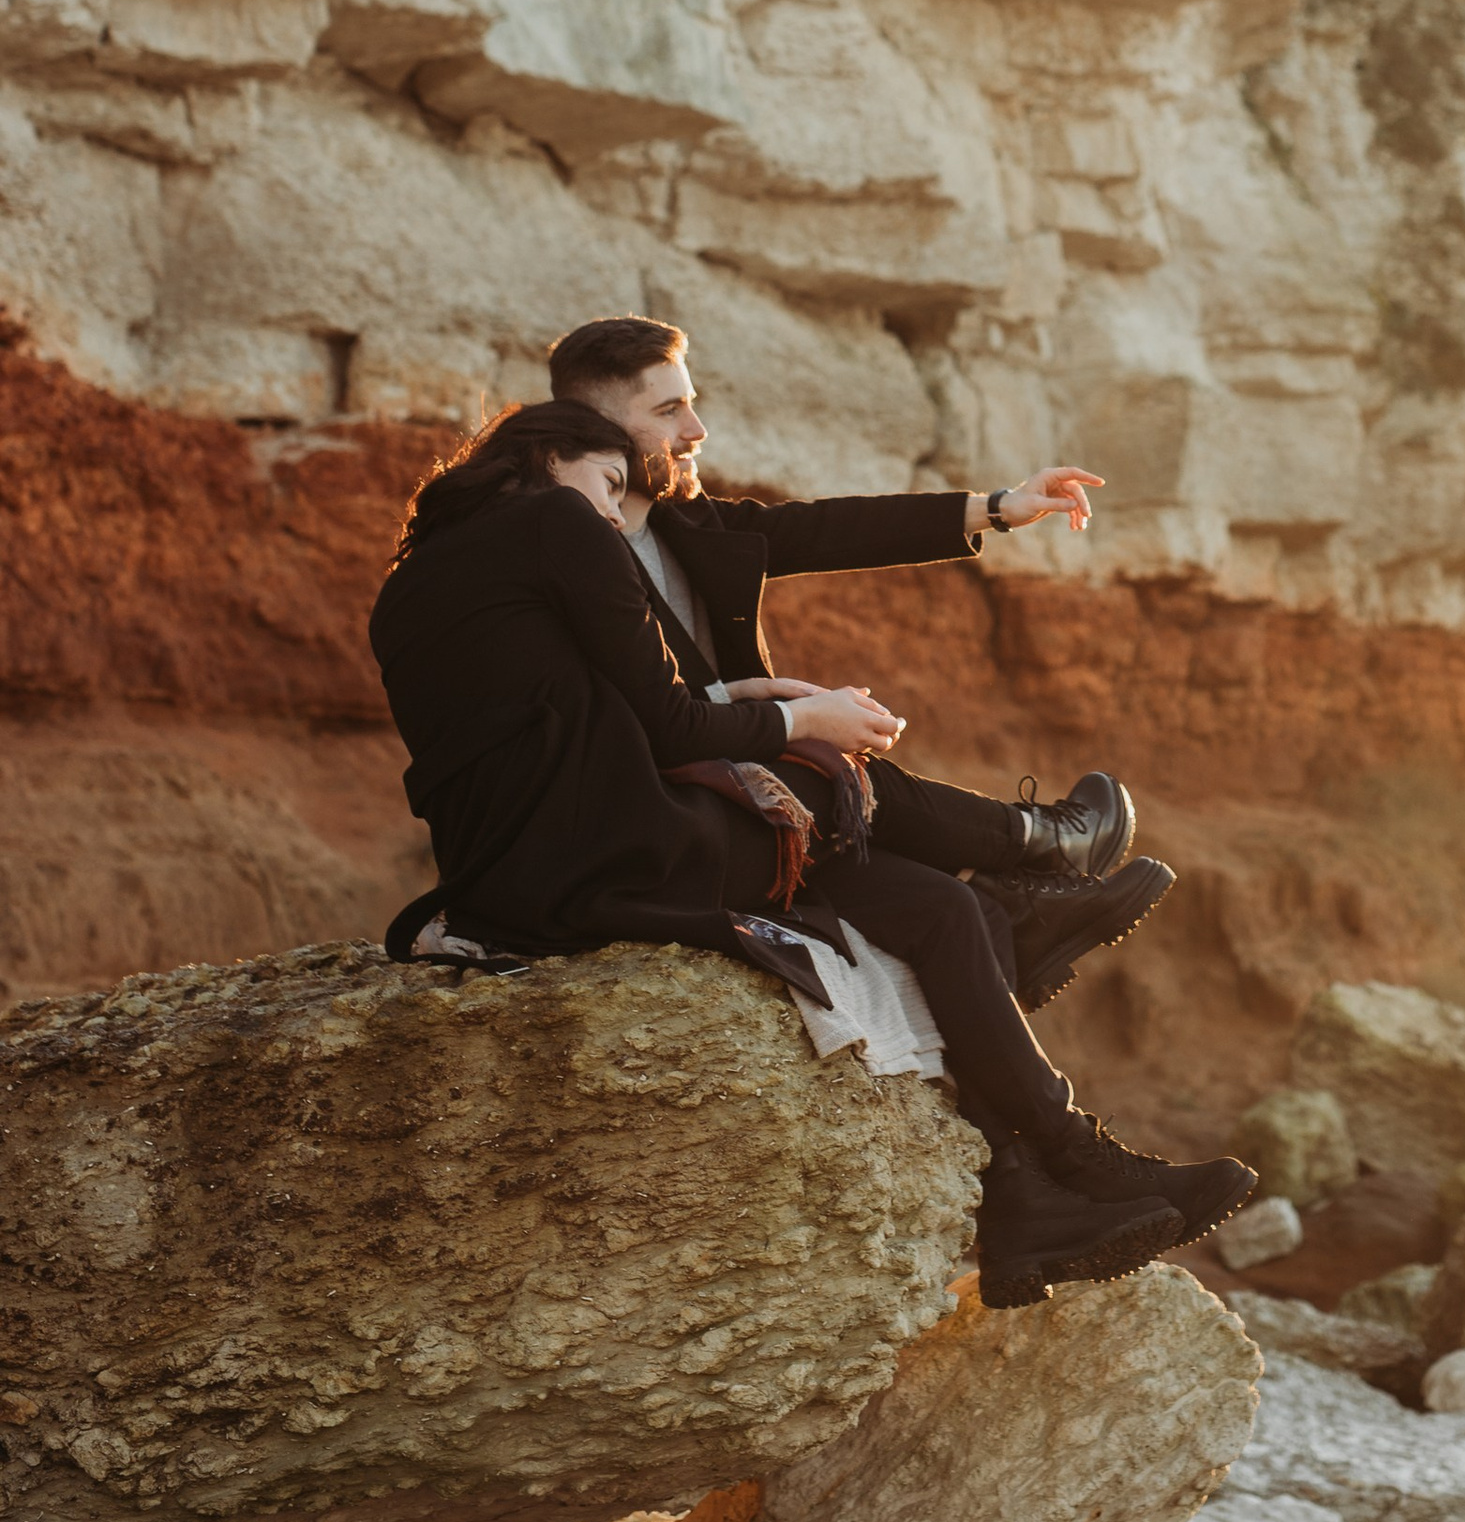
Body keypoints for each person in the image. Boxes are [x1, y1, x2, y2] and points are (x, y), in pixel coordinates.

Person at [370, 393, 1254, 1306]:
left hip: (515, 887)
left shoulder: (413, 582)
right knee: (831, 775)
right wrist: (803, 716)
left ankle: (1025, 1200)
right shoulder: (557, 518)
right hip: (620, 860)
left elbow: (576, 719)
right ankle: (1038, 907)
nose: (610, 511)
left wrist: (749, 690)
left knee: (946, 911)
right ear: (550, 457)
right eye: (605, 484)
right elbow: (667, 729)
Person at [541, 311, 1171, 1016]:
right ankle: (1041, 842)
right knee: (846, 775)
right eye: (669, 409)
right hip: (677, 823)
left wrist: (997, 507)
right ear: (592, 426)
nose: (696, 429)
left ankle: (1022, 943)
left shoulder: (682, 523)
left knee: (956, 906)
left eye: (693, 402)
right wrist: (787, 715)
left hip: (747, 795)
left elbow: (826, 529)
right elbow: (635, 719)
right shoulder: (571, 553)